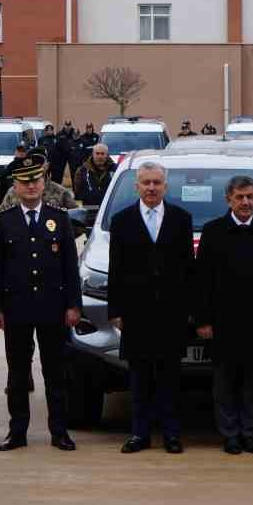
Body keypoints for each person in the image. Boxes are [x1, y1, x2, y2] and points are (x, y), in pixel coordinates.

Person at [0, 155, 82, 451]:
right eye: (24, 182)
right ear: (15, 186)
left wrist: (73, 306)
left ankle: (60, 432)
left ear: (44, 184)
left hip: (52, 307)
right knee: (17, 373)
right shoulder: (4, 221)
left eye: (35, 181)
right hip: (17, 308)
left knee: (55, 372)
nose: (30, 186)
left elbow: (70, 266)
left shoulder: (61, 218)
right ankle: (17, 431)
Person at [194, 175, 253, 455]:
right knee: (224, 383)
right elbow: (202, 281)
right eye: (239, 197)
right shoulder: (213, 232)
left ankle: (249, 433)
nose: (245, 202)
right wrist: (203, 320)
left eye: (249, 197)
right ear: (228, 200)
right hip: (222, 323)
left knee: (251, 383)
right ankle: (230, 434)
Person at [109, 161, 193, 455]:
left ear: (165, 187)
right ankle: (140, 434)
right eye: (146, 183)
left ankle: (171, 434)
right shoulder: (121, 221)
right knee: (140, 379)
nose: (151, 188)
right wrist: (115, 311)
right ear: (137, 186)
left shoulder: (182, 219)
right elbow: (115, 269)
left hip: (170, 313)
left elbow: (187, 268)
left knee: (170, 378)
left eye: (157, 182)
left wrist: (188, 309)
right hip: (136, 313)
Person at [73, 143, 115, 208]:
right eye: (97, 153)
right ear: (93, 154)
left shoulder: (115, 170)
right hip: (89, 208)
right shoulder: (82, 171)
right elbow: (78, 191)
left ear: (107, 155)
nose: (100, 156)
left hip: (109, 208)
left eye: (102, 154)